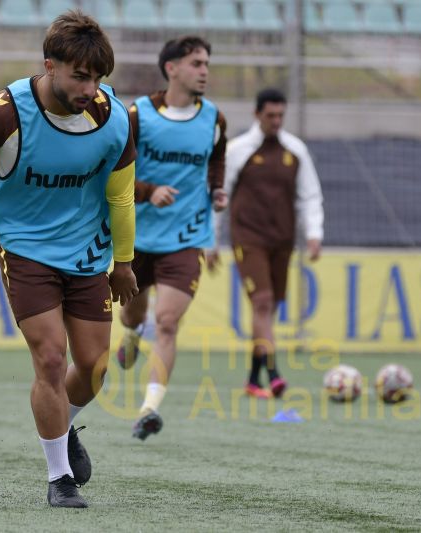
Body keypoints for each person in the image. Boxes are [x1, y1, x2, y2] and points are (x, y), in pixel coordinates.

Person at [0, 10, 138, 508]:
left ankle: (63, 426)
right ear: (49, 65)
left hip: (87, 251)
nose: (90, 87)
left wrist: (123, 263)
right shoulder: (5, 113)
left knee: (95, 366)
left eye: (99, 77)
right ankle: (60, 478)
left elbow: (121, 198)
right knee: (51, 358)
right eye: (80, 75)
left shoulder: (114, 118)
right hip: (24, 247)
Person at [115, 35, 228, 441]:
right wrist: (148, 192)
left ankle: (149, 408)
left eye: (206, 63)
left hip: (186, 238)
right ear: (172, 68)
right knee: (134, 316)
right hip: (137, 237)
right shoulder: (138, 115)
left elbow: (215, 158)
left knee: (166, 323)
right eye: (197, 63)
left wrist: (217, 190)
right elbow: (115, 170)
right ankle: (130, 333)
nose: (204, 71)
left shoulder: (214, 117)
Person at [212, 88, 324, 399]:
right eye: (270, 115)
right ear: (257, 114)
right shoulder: (238, 150)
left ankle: (252, 379)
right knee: (262, 303)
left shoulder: (295, 151)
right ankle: (274, 373)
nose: (276, 121)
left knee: (269, 310)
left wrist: (314, 233)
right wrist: (211, 240)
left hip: (282, 240)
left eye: (280, 116)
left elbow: (309, 195)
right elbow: (219, 196)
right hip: (248, 239)